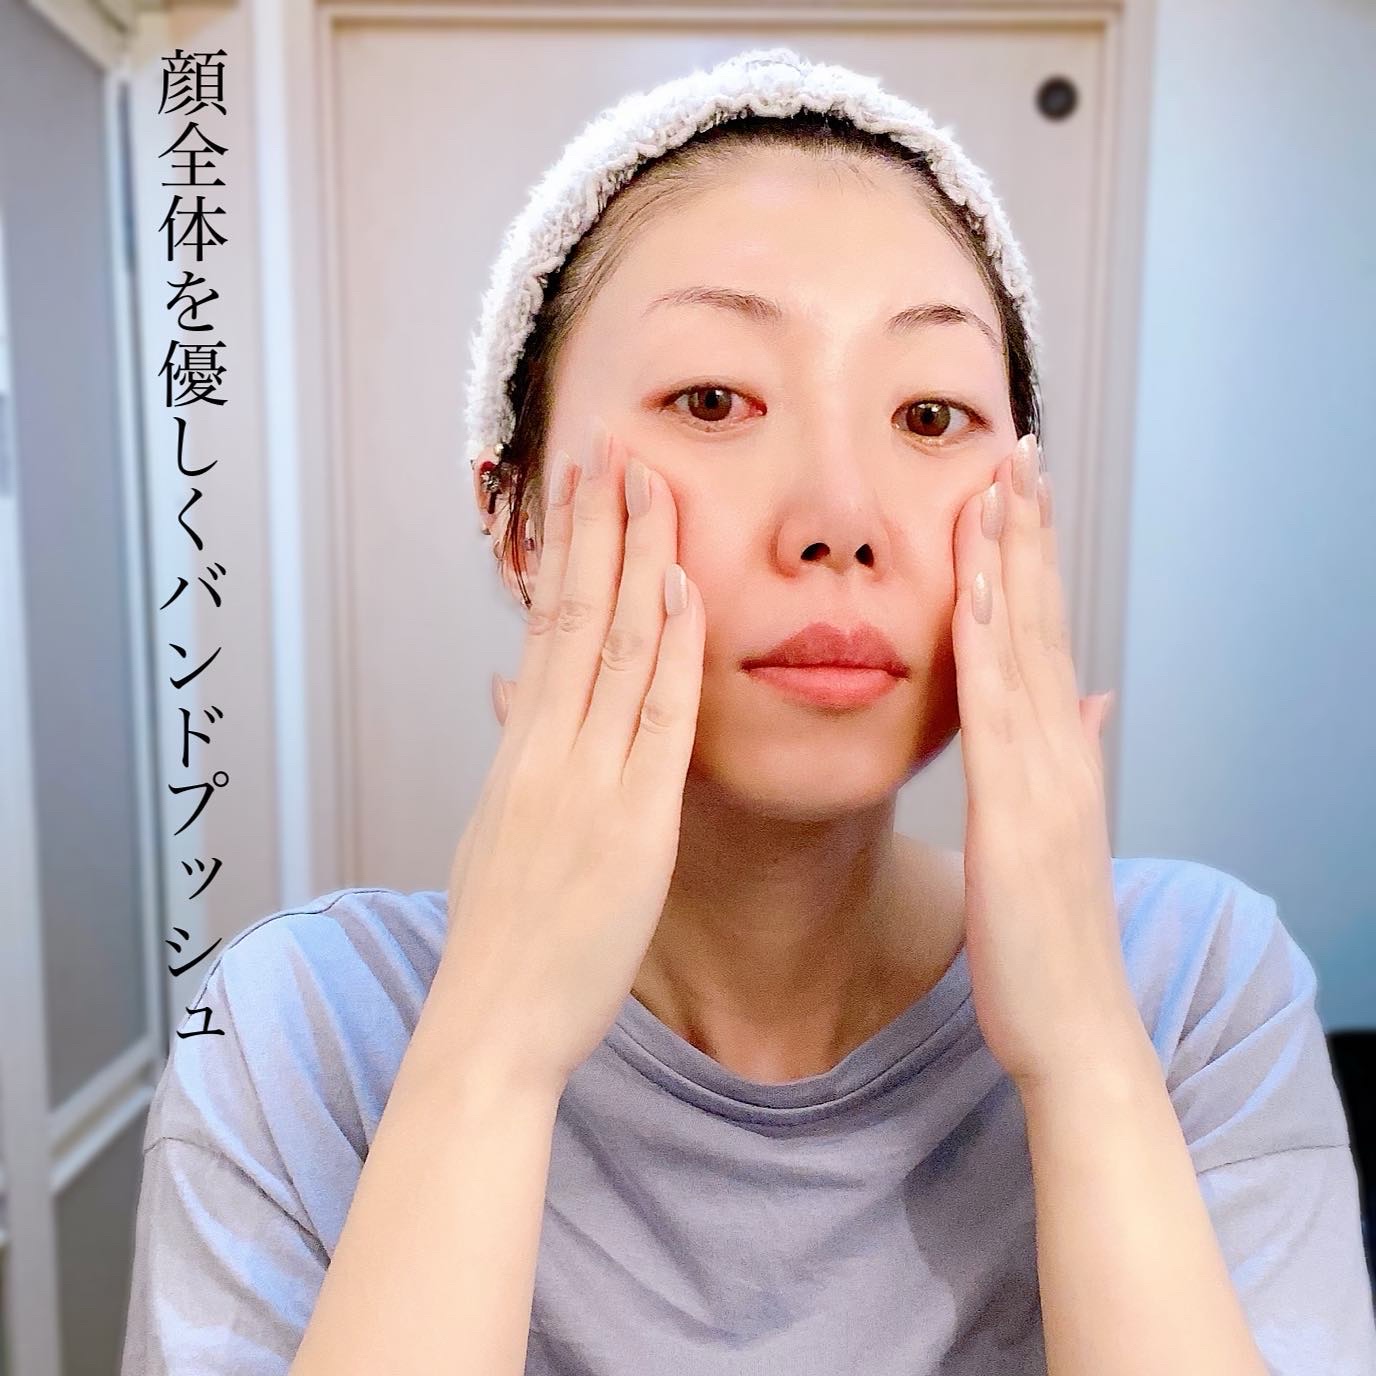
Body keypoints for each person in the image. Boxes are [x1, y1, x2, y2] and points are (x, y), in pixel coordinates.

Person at [119, 46, 1376, 1376]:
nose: (841, 517)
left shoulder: (1195, 992)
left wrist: (1082, 1059)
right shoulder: (299, 1033)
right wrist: (491, 1047)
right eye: (713, 400)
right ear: (516, 519)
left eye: (930, 413)